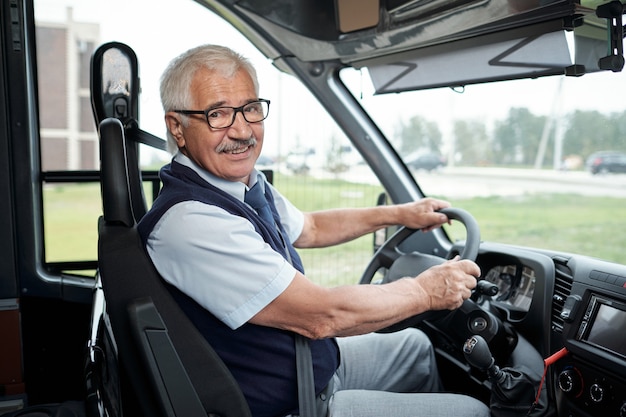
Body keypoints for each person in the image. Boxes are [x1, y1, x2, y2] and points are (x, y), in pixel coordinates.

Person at [137, 44, 490, 417]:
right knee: (473, 412)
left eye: (251, 109)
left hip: (308, 366)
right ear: (177, 127)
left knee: (416, 349)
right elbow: (323, 315)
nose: (242, 130)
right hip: (291, 402)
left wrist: (399, 213)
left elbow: (313, 227)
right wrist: (424, 290)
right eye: (218, 114)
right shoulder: (193, 221)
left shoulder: (239, 185)